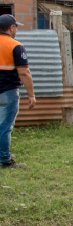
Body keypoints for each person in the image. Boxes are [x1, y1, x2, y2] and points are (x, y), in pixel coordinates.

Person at [0, 14, 36, 169]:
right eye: (16, 27)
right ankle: (5, 160)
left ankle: (3, 151)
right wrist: (31, 95)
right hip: (7, 91)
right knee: (5, 126)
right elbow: (24, 73)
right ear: (11, 28)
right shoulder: (16, 46)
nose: (16, 30)